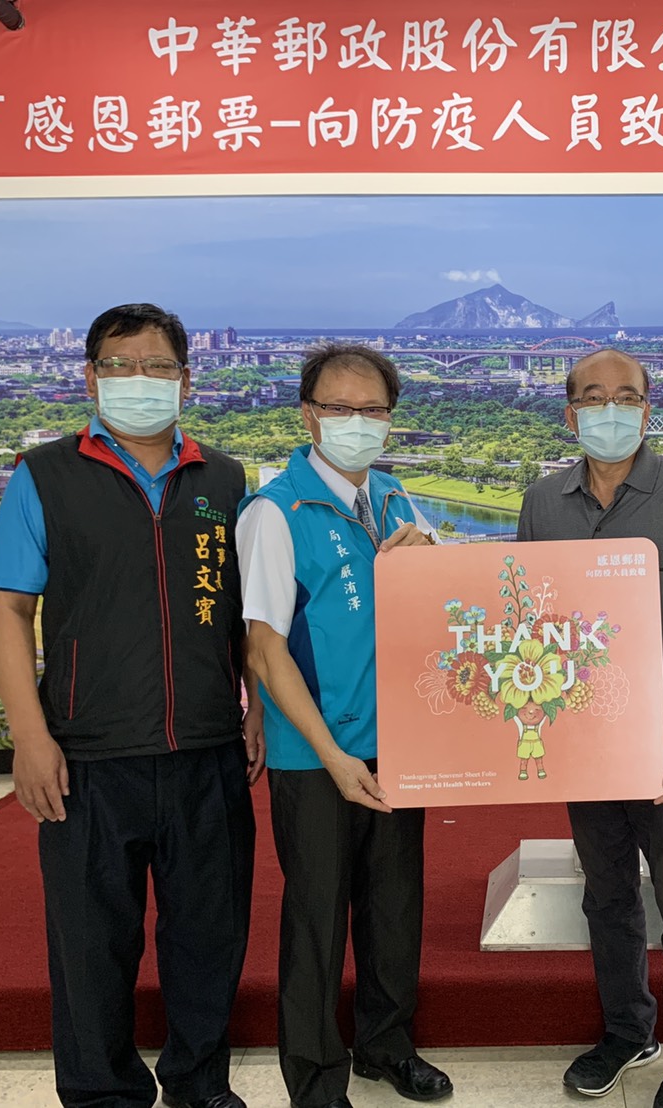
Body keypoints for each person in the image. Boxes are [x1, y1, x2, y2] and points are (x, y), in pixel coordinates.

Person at [0, 303, 262, 1108]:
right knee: (90, 943)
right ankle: (102, 1093)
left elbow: (246, 612)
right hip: (87, 755)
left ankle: (200, 1084)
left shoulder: (225, 479)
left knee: (209, 935)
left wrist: (253, 707)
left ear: (186, 378)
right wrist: (30, 738)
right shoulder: (45, 476)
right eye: (119, 365)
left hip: (207, 748)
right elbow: (10, 610)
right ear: (90, 376)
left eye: (157, 366)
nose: (139, 380)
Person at [516, 349, 663, 1108]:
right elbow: (527, 618)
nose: (609, 410)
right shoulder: (542, 502)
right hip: (578, 717)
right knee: (605, 888)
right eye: (592, 397)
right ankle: (627, 1030)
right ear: (569, 412)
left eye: (626, 397)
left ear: (647, 408)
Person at [238, 343, 451, 1108]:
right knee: (317, 919)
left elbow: (438, 607)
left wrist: (432, 557)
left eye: (372, 410)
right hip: (316, 756)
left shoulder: (394, 497)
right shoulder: (276, 511)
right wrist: (330, 755)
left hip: (400, 745)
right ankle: (316, 1078)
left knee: (394, 909)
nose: (356, 422)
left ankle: (386, 1046)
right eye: (338, 408)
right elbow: (265, 650)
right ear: (309, 415)